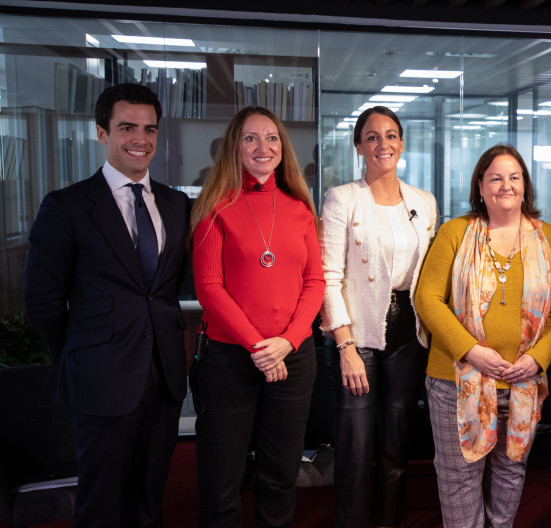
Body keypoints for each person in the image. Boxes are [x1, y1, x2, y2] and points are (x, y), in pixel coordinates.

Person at [24, 83, 190, 527]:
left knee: (149, 501)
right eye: (127, 128)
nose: (141, 139)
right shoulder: (67, 206)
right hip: (100, 378)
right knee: (99, 504)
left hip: (164, 377)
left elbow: (174, 285)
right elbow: (42, 301)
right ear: (101, 133)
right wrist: (81, 351)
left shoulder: (176, 205)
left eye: (150, 129)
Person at [415, 144, 551, 528]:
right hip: (456, 379)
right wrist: (471, 352)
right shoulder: (457, 232)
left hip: (521, 382)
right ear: (480, 187)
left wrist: (537, 359)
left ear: (525, 186)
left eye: (514, 177)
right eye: (496, 178)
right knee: (458, 479)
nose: (506, 185)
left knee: (510, 473)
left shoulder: (549, 238)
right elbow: (427, 299)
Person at [189, 106, 325, 527]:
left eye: (271, 138)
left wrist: (288, 341)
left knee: (281, 473)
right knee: (221, 476)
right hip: (229, 360)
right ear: (235, 146)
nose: (262, 147)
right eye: (250, 138)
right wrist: (258, 347)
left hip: (293, 356)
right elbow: (209, 288)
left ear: (282, 148)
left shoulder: (301, 209)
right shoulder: (214, 207)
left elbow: (315, 282)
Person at [318, 105, 438, 528]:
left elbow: (427, 278)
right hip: (358, 334)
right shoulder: (342, 198)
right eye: (372, 136)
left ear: (401, 144)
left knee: (395, 450)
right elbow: (328, 276)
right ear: (359, 147)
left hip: (409, 335)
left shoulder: (424, 203)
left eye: (390, 136)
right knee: (355, 451)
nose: (382, 144)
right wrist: (345, 345)